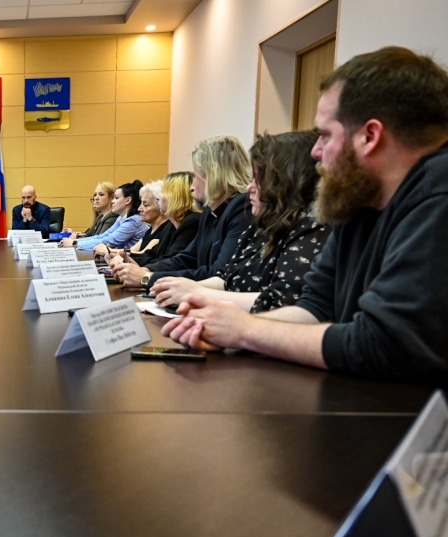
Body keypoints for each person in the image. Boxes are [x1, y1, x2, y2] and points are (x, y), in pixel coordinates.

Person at [164, 47, 448, 384]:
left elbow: (386, 345)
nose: (315, 151)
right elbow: (315, 308)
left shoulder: (437, 196)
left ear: (369, 136)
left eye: (325, 135)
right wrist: (222, 327)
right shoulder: (359, 199)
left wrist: (246, 331)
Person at [151, 131, 330, 313]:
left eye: (259, 179)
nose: (249, 187)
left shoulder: (312, 226)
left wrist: (195, 292)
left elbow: (284, 301)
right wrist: (177, 288)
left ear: (286, 183)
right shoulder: (264, 225)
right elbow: (226, 276)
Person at [115, 135, 251, 288]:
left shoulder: (241, 209)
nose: (191, 187)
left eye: (195, 177)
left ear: (214, 176)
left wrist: (146, 278)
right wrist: (146, 270)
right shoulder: (209, 213)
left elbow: (218, 275)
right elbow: (187, 258)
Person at [108, 172, 201, 268]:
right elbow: (153, 255)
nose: (158, 197)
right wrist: (123, 257)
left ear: (176, 196)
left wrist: (126, 259)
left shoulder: (192, 222)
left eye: (163, 192)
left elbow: (173, 261)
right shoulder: (170, 225)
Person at [60, 180, 147, 252]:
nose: (112, 201)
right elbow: (102, 236)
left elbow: (108, 241)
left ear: (128, 200)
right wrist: (76, 241)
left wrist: (74, 243)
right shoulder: (121, 218)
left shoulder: (133, 221)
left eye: (116, 198)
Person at [95, 180, 168, 259]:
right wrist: (110, 251)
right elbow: (132, 251)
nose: (139, 209)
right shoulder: (150, 230)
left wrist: (108, 251)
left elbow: (142, 256)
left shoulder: (164, 231)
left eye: (145, 205)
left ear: (161, 207)